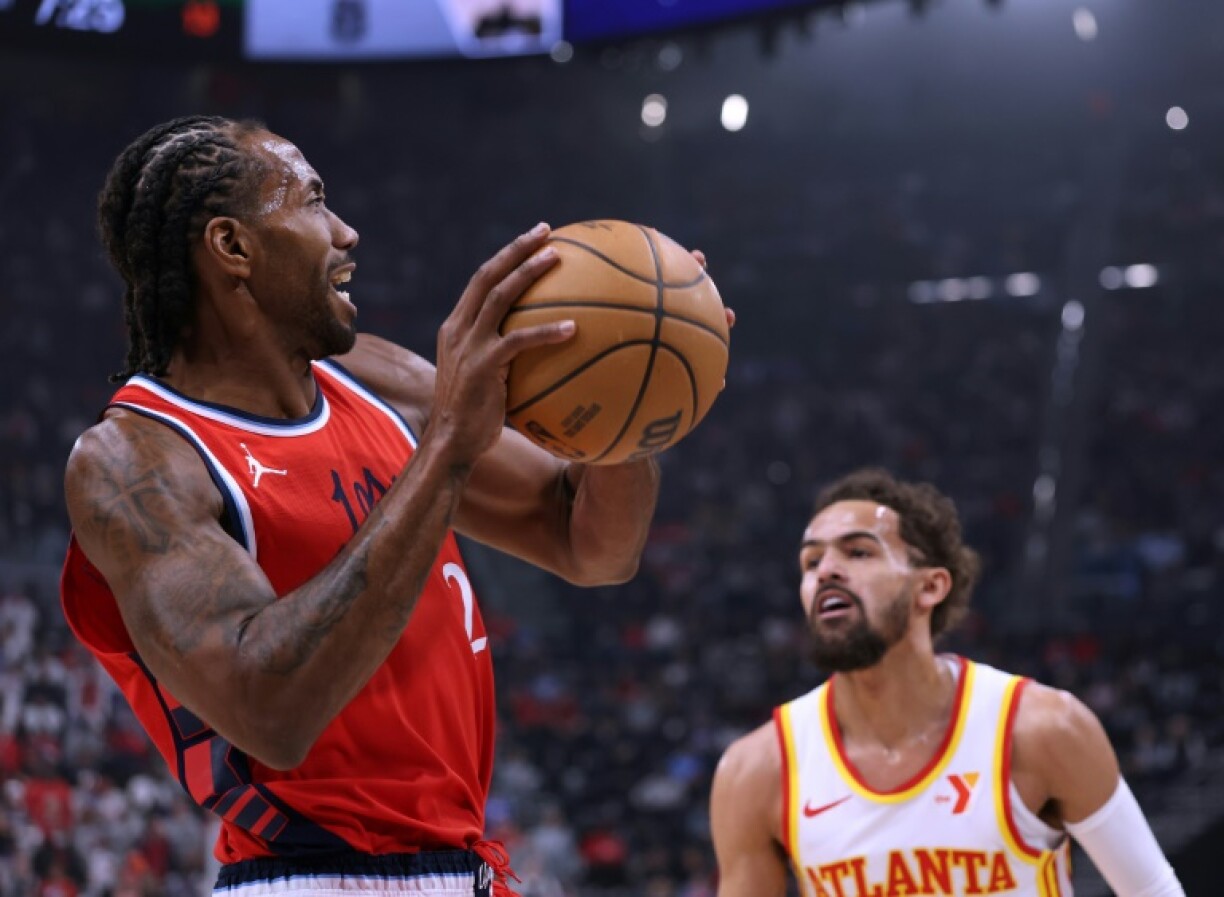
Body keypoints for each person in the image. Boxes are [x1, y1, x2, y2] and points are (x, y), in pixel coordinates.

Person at [60, 115, 726, 896]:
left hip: (465, 864)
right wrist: (446, 448)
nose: (347, 232)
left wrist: (626, 406)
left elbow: (593, 546)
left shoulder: (378, 383)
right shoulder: (136, 461)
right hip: (306, 877)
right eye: (312, 203)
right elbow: (268, 711)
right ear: (232, 248)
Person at [709, 468, 1185, 897]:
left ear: (930, 586)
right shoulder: (757, 771)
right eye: (811, 563)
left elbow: (1154, 891)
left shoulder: (1043, 731)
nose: (826, 571)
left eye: (858, 552)